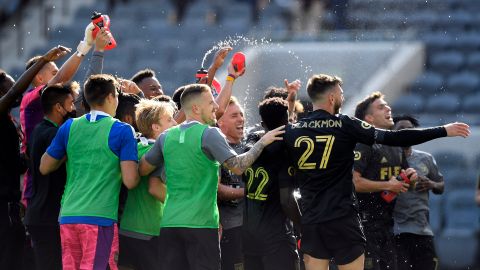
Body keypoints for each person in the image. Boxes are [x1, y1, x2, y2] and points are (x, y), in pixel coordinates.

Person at [282, 74, 470, 270]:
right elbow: (395, 137)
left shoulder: (295, 129)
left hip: (312, 220)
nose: (342, 98)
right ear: (331, 98)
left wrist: (291, 103)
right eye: (341, 93)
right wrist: (443, 130)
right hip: (343, 218)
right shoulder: (345, 124)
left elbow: (285, 131)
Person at [139, 83, 285, 270]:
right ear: (196, 108)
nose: (216, 107)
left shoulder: (166, 137)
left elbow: (142, 169)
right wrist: (262, 142)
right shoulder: (209, 133)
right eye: (211, 103)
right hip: (201, 225)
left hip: (170, 224)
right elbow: (238, 167)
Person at [39, 74, 140, 270]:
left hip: (68, 215)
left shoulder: (69, 127)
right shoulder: (122, 130)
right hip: (98, 218)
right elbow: (130, 181)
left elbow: (44, 166)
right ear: (111, 97)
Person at [0, 45, 70, 270]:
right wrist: (43, 60)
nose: (17, 91)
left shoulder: (10, 122)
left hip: (11, 203)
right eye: (11, 87)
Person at [20, 21, 100, 204]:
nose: (61, 75)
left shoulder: (60, 106)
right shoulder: (31, 98)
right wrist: (85, 46)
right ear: (39, 78)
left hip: (55, 183)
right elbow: (60, 79)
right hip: (37, 190)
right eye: (54, 71)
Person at [353, 92, 417, 270]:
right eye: (381, 107)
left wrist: (409, 177)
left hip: (387, 225)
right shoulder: (362, 143)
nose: (388, 108)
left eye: (387, 105)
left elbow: (401, 182)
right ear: (369, 118)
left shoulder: (395, 144)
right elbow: (354, 183)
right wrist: (389, 185)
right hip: (362, 226)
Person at [24, 82, 78, 270]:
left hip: (37, 214)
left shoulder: (37, 130)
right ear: (58, 107)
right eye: (71, 104)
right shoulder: (56, 134)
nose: (74, 109)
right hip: (50, 217)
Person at [243, 97, 301, 270]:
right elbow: (287, 201)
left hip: (250, 238)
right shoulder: (284, 151)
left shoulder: (251, 145)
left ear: (262, 123)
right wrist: (303, 224)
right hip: (277, 238)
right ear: (287, 120)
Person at [119, 99, 177, 270]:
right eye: (169, 120)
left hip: (126, 229)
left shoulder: (134, 148)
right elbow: (155, 188)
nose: (175, 123)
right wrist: (182, 205)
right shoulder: (162, 152)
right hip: (151, 231)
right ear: (155, 127)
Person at [392, 115, 444, 270]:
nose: (406, 133)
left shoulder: (426, 158)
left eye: (409, 129)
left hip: (422, 231)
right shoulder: (386, 158)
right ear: (392, 132)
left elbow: (441, 186)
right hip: (395, 231)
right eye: (401, 129)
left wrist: (431, 184)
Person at [217, 97, 247, 270]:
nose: (241, 119)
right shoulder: (215, 147)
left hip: (254, 227)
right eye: (234, 115)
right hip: (230, 228)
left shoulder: (250, 143)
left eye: (241, 114)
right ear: (220, 122)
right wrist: (249, 191)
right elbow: (216, 188)